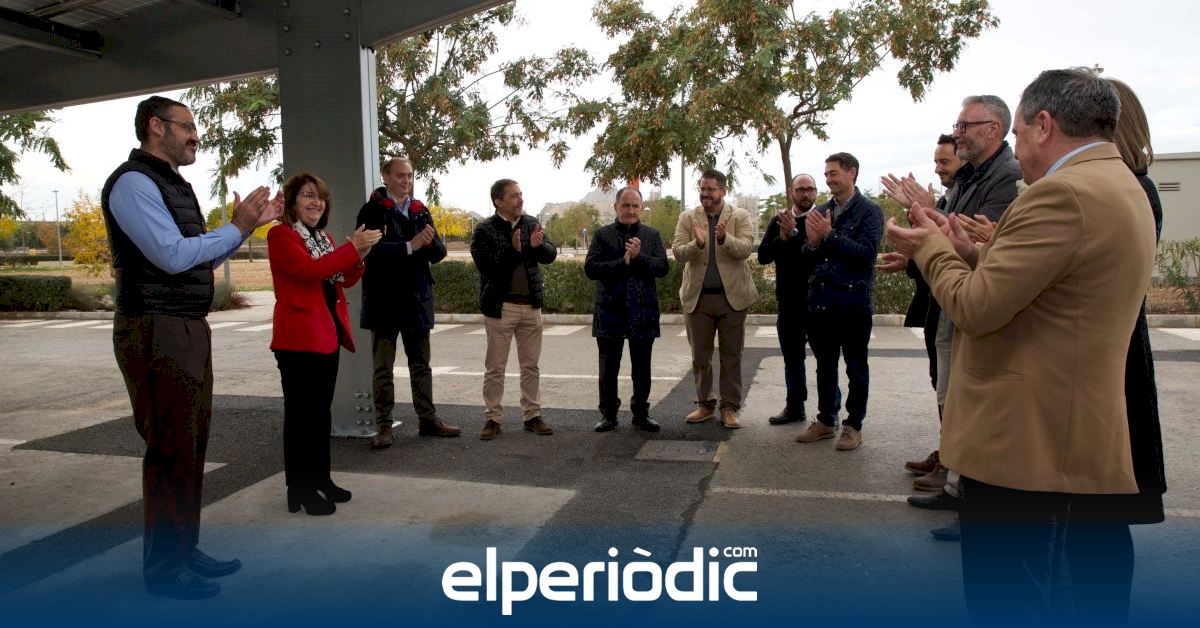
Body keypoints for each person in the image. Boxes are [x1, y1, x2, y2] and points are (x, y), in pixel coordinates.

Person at [887, 68, 1155, 623]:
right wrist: (969, 250)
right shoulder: (1120, 183)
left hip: (1021, 439)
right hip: (1062, 428)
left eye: (1020, 133)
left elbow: (976, 307)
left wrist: (931, 248)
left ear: (1044, 124)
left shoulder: (1062, 193)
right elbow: (1052, 285)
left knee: (1007, 597)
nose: (1019, 149)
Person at [100, 95, 280, 599]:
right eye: (187, 126)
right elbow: (173, 255)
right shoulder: (134, 183)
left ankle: (183, 549)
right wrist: (237, 226)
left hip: (183, 326)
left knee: (191, 442)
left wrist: (245, 228)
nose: (195, 135)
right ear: (155, 126)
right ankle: (164, 568)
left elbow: (196, 254)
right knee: (170, 447)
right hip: (154, 328)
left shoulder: (172, 184)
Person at [268, 173, 380, 515]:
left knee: (319, 416)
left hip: (326, 337)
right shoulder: (281, 235)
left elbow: (342, 278)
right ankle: (299, 489)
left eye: (319, 197)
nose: (316, 202)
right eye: (307, 195)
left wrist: (359, 256)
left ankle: (320, 480)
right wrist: (350, 250)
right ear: (292, 203)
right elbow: (309, 271)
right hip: (298, 341)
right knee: (301, 417)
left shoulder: (323, 239)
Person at [356, 157, 459, 449]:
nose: (406, 180)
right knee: (383, 368)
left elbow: (438, 254)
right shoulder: (372, 210)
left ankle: (428, 420)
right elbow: (369, 252)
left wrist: (429, 242)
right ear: (386, 177)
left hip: (416, 301)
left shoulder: (420, 210)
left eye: (410, 176)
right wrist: (409, 246)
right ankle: (384, 426)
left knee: (421, 366)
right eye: (400, 175)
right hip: (384, 302)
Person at [794, 153, 883, 451]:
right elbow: (806, 257)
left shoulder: (870, 211)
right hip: (821, 305)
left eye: (833, 173)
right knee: (825, 367)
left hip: (854, 304)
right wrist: (813, 243)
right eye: (826, 174)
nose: (828, 178)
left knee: (856, 368)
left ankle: (853, 425)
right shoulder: (821, 211)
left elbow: (866, 254)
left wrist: (829, 235)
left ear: (851, 172)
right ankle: (825, 421)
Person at [470, 179, 557, 440]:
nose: (520, 199)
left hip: (530, 307)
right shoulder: (484, 229)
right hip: (501, 307)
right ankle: (493, 419)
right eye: (514, 196)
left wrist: (537, 246)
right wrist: (513, 250)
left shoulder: (531, 223)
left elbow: (550, 254)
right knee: (495, 368)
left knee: (531, 367)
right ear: (498, 202)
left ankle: (532, 416)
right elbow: (485, 265)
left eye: (521, 194)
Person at [672, 169, 757, 429]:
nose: (705, 193)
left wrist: (724, 238)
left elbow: (746, 249)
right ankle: (705, 405)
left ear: (723, 190)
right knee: (700, 357)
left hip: (732, 299)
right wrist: (697, 244)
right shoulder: (688, 218)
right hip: (698, 300)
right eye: (702, 188)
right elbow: (678, 253)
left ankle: (729, 408)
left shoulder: (740, 216)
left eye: (710, 189)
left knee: (732, 357)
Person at [584, 186, 670, 432]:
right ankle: (608, 414)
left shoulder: (651, 235)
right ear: (616, 207)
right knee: (608, 369)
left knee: (642, 368)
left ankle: (641, 413)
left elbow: (662, 268)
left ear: (641, 208)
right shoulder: (602, 235)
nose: (630, 210)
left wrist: (639, 257)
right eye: (625, 205)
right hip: (609, 311)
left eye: (635, 206)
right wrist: (622, 263)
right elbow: (591, 268)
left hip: (642, 311)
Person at [757, 173, 833, 425]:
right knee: (792, 360)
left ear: (816, 192)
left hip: (819, 303)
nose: (805, 193)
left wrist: (796, 233)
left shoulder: (822, 219)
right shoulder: (778, 221)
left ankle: (829, 413)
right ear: (791, 192)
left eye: (810, 189)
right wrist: (783, 237)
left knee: (826, 362)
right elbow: (763, 256)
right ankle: (795, 407)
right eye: (800, 189)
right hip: (788, 303)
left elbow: (823, 253)